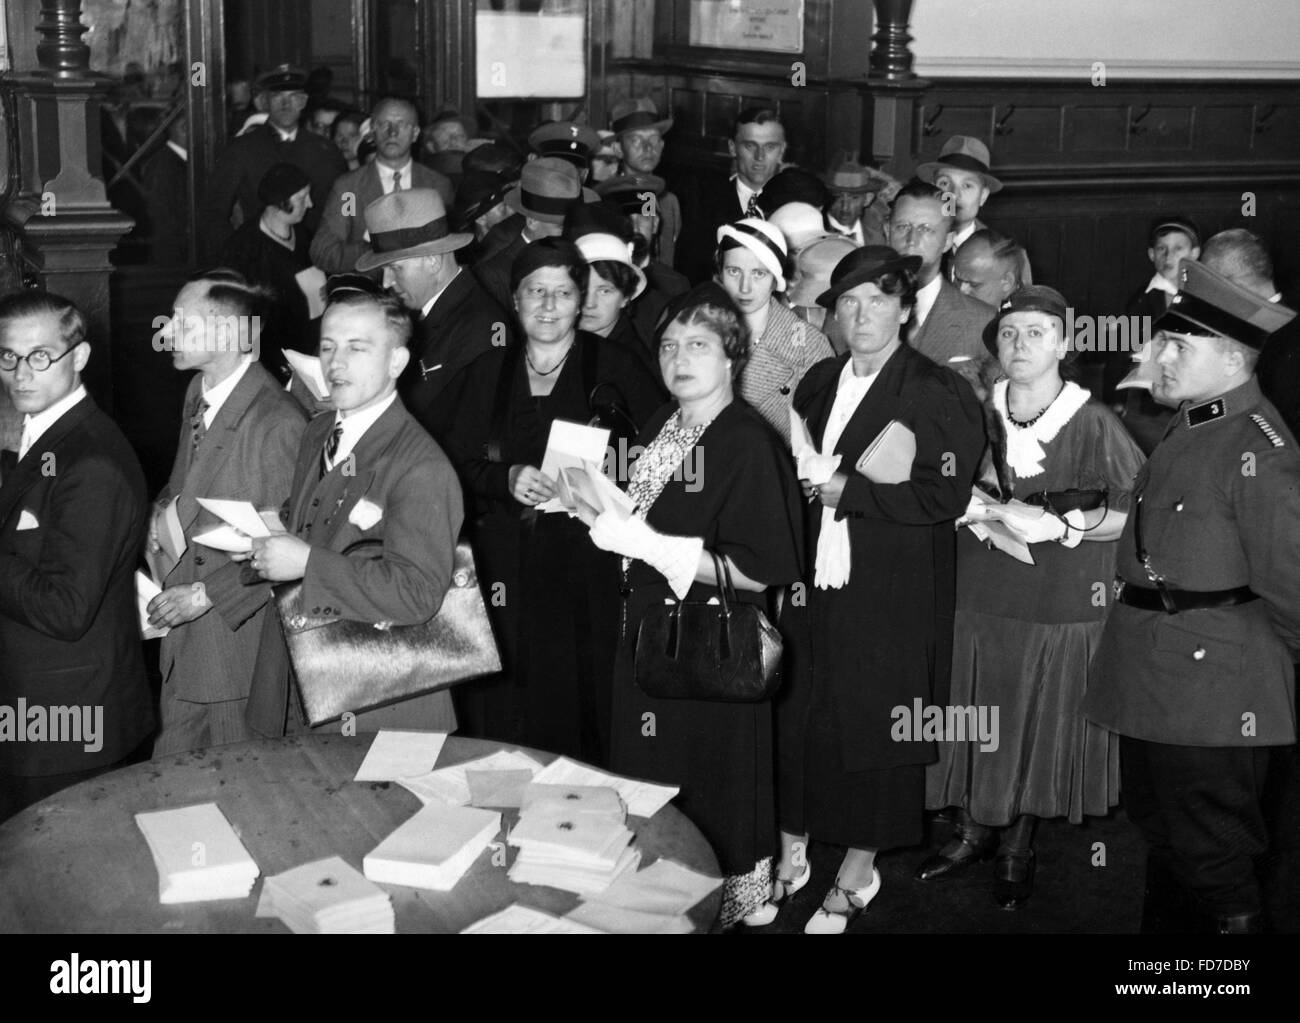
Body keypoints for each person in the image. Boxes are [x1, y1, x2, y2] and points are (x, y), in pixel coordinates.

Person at [762, 247, 985, 933]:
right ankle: (793, 841)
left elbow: (946, 491)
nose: (860, 316)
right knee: (802, 708)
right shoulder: (819, 381)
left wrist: (849, 491)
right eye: (847, 303)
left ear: (905, 309)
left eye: (877, 301)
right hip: (817, 579)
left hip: (891, 582)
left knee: (874, 717)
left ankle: (860, 863)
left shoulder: (935, 389)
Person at [1083, 259, 1300, 934]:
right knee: (1165, 834)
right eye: (1164, 340)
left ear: (1233, 357)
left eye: (1180, 345)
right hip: (1158, 673)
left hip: (1213, 688)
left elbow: (1293, 589)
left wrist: (1258, 673)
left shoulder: (1258, 449)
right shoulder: (1197, 422)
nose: (1158, 356)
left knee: (1217, 857)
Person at [918, 286, 1144, 909]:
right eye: (1011, 333)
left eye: (1037, 333)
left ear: (1064, 344)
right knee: (978, 699)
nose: (1021, 345)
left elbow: (1137, 513)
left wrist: (1068, 525)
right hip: (979, 583)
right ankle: (972, 829)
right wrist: (958, 503)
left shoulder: (1093, 419)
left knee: (1033, 711)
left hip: (1059, 595)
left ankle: (1017, 844)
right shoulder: (973, 409)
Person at [589, 282, 805, 928]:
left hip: (710, 648)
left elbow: (762, 571)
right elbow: (639, 516)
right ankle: (662, 903)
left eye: (700, 345)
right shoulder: (663, 422)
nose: (680, 357)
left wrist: (659, 549)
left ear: (732, 357)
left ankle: (717, 906)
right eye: (670, 344)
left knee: (708, 788)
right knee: (652, 786)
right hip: (648, 637)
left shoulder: (747, 442)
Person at [435, 239, 664, 764]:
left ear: (579, 300)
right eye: (535, 292)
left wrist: (601, 482)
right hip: (500, 572)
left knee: (577, 703)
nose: (547, 305)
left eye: (561, 293)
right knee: (500, 707)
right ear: (514, 300)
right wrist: (502, 477)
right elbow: (444, 465)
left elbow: (656, 461)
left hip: (587, 570)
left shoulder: (617, 367)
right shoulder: (485, 370)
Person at [243, 289, 464, 736]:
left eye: (357, 348)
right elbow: (307, 521)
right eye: (327, 347)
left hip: (378, 698)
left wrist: (304, 562)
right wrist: (260, 540)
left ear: (398, 362)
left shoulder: (421, 465)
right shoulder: (320, 430)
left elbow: (416, 594)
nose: (335, 363)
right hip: (298, 675)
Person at [0, 292, 153, 821]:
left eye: (40, 356)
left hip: (65, 727)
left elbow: (65, 608)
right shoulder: (47, 433)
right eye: (8, 357)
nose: (21, 373)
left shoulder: (91, 463)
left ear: (79, 358)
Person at [146, 272, 307, 756]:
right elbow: (186, 487)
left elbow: (289, 541)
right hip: (185, 643)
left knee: (237, 796)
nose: (166, 333)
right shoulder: (200, 391)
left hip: (237, 653)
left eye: (183, 323)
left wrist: (203, 594)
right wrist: (159, 518)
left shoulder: (278, 422)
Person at [357, 188, 511, 436]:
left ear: (433, 261)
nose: (386, 282)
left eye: (395, 268)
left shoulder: (483, 328)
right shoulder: (418, 310)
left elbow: (462, 433)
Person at [199, 64, 346, 260]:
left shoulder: (326, 151)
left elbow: (348, 199)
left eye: (293, 97)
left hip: (314, 259)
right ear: (265, 102)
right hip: (259, 260)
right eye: (278, 97)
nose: (286, 105)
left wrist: (342, 242)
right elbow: (214, 211)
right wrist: (236, 254)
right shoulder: (241, 150)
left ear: (304, 102)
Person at [715, 217, 834, 444]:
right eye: (734, 271)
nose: (744, 287)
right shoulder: (697, 333)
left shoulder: (808, 345)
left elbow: (822, 437)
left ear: (775, 280)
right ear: (720, 272)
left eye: (758, 273)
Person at [309, 97, 455, 276]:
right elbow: (324, 252)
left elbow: (448, 253)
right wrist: (377, 250)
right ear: (372, 130)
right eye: (384, 124)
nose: (392, 132)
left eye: (401, 124)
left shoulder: (437, 186)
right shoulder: (350, 191)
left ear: (415, 133)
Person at [1104, 217, 1202, 453]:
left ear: (1195, 253)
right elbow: (1119, 353)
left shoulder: (1203, 296)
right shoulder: (1141, 301)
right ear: (1151, 254)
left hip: (1196, 401)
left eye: (1178, 249)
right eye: (1161, 249)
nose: (1169, 257)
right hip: (1152, 408)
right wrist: (1114, 402)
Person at [218, 162, 316, 377]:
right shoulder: (244, 249)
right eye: (302, 198)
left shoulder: (303, 235)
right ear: (279, 203)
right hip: (270, 365)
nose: (310, 204)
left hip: (309, 354)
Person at [889, 179, 995, 372]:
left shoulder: (982, 321)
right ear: (886, 231)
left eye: (926, 229)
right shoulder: (856, 308)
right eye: (902, 227)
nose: (911, 240)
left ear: (947, 241)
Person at [472, 158, 597, 313]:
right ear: (532, 221)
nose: (570, 233)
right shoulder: (495, 276)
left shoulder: (579, 261)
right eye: (561, 226)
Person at [681, 108, 788, 283]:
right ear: (732, 148)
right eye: (750, 146)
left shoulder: (793, 206)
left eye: (769, 147)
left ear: (782, 151)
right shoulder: (703, 204)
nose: (759, 156)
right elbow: (689, 272)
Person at [916, 135, 1033, 283]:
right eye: (945, 183)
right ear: (932, 189)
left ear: (983, 196)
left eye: (967, 186)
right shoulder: (913, 243)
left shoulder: (1011, 257)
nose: (954, 195)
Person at [574, 230, 660, 378]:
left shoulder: (632, 364)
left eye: (604, 291)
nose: (589, 303)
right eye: (582, 289)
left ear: (626, 297)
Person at [609, 98, 682, 268]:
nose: (648, 148)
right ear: (618, 149)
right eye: (636, 140)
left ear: (662, 145)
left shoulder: (669, 202)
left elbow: (668, 260)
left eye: (654, 139)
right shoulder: (606, 198)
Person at [824, 154, 895, 247]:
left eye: (854, 198)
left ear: (867, 200)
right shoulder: (816, 232)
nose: (845, 207)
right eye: (838, 197)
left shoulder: (880, 236)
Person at [951, 228, 1024, 310]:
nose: (961, 291)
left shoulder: (1030, 319)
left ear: (1007, 282)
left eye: (974, 284)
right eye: (957, 280)